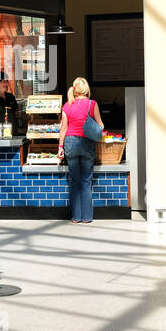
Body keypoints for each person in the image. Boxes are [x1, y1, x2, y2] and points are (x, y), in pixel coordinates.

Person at [57, 77, 103, 224]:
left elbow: (63, 128)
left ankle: (76, 217)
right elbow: (100, 126)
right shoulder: (92, 104)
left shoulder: (66, 105)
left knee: (74, 181)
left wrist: (60, 147)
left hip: (70, 143)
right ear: (86, 89)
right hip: (86, 143)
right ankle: (87, 217)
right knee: (86, 181)